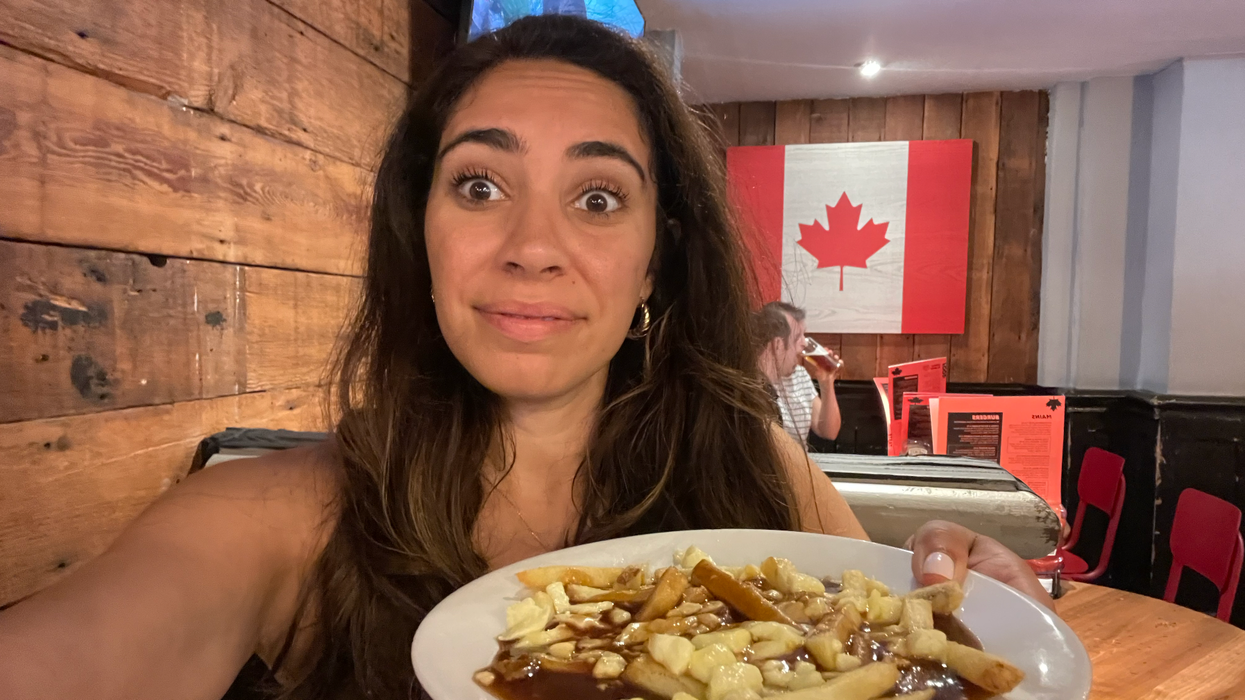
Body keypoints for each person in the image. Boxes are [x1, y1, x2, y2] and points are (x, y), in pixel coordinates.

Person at [0, 15, 1050, 700]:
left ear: (654, 262)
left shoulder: (762, 477)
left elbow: (903, 654)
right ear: (421, 237)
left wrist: (967, 626)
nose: (534, 246)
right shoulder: (274, 521)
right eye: (479, 186)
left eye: (598, 198)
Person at [755, 301, 843, 449]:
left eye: (804, 335)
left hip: (798, 467)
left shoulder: (799, 376)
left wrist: (827, 384)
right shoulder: (754, 384)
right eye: (798, 337)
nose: (804, 343)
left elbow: (829, 432)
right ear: (777, 345)